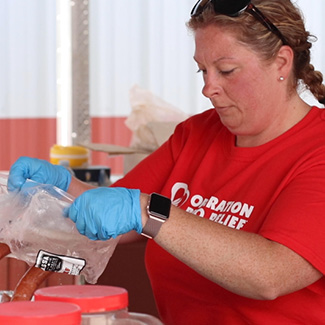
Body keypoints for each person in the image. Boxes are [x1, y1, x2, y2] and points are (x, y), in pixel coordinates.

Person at [7, 0, 325, 323]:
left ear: (282, 63)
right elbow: (116, 213)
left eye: (226, 71)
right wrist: (59, 188)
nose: (208, 88)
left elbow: (270, 274)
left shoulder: (317, 150)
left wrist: (150, 213)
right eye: (202, 70)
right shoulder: (196, 134)